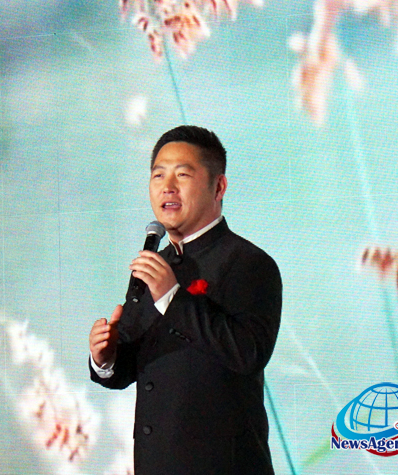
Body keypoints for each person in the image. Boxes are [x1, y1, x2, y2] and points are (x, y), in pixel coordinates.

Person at [88, 125, 282, 475]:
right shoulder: (154, 264)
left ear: (218, 187)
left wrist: (172, 298)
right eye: (158, 175)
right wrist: (106, 357)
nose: (167, 186)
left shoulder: (249, 263)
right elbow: (133, 367)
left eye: (182, 174)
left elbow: (249, 353)